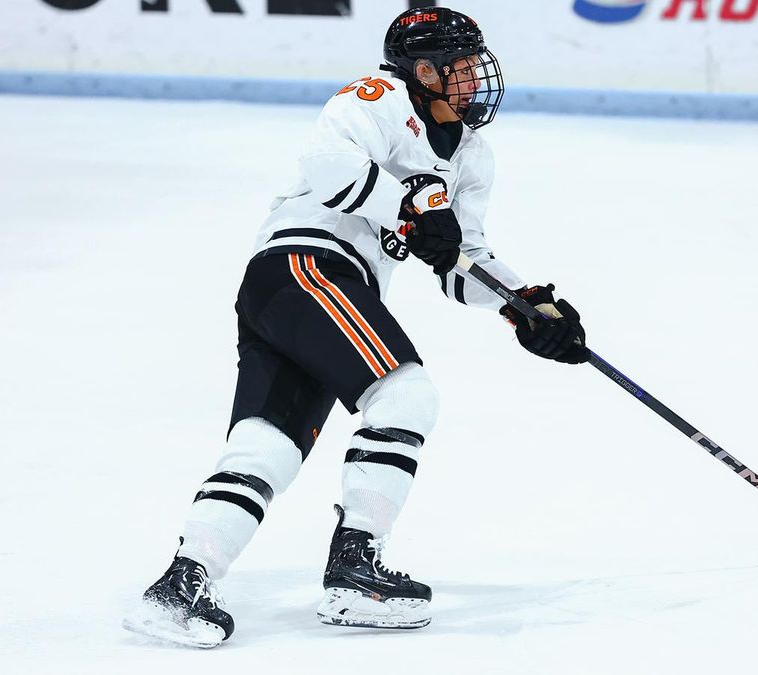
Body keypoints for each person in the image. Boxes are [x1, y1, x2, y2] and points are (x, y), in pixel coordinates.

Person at [121, 6, 589, 648]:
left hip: (307, 291)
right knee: (405, 395)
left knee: (267, 444)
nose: (475, 79)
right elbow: (328, 167)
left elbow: (460, 258)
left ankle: (181, 586)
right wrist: (410, 212)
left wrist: (522, 305)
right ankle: (355, 573)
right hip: (306, 265)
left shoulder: (471, 157)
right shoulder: (375, 98)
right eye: (460, 67)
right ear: (424, 72)